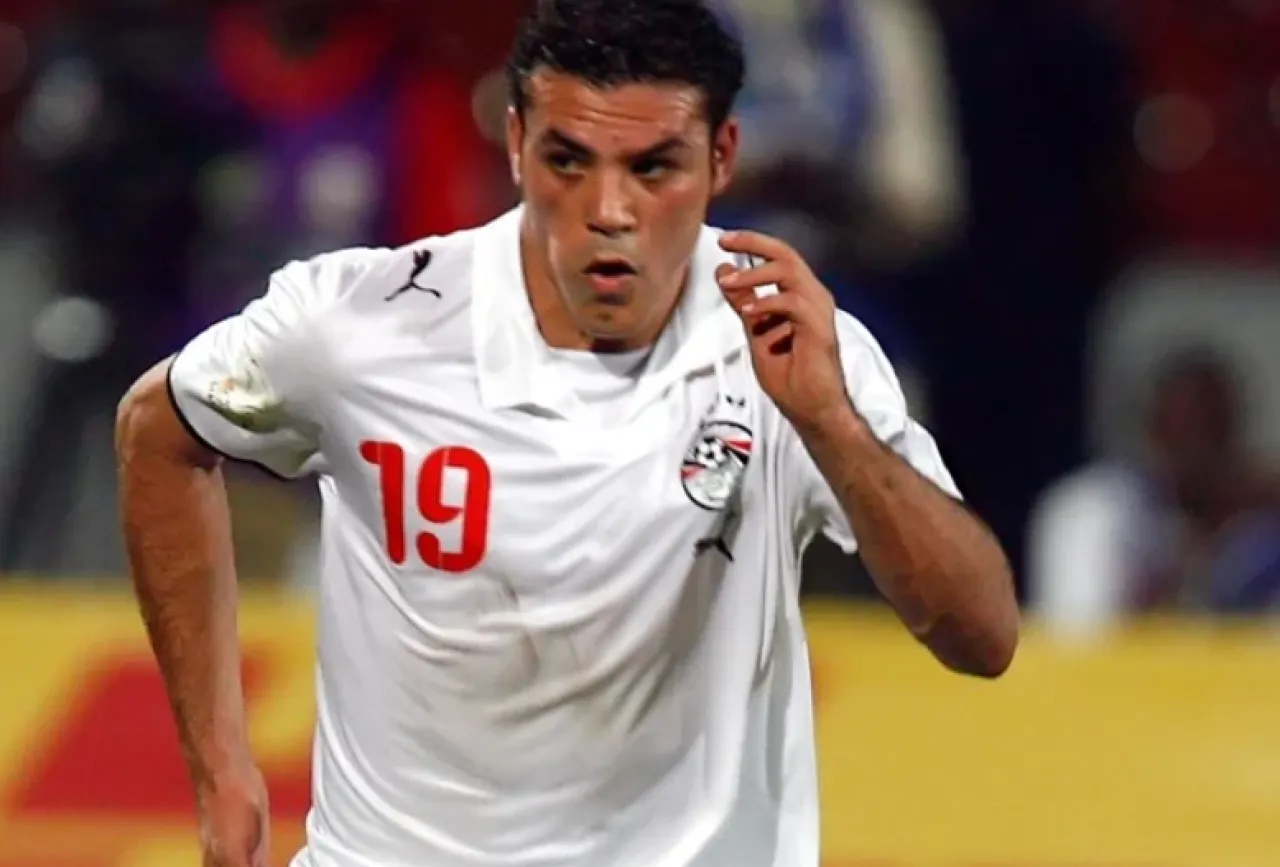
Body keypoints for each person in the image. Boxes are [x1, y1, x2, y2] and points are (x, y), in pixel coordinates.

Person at [114, 2, 1019, 865]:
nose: (609, 209)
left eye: (654, 168)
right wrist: (222, 776)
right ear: (515, 143)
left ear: (722, 157)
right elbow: (157, 428)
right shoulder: (366, 323)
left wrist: (831, 424)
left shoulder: (788, 345)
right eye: (569, 161)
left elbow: (981, 636)